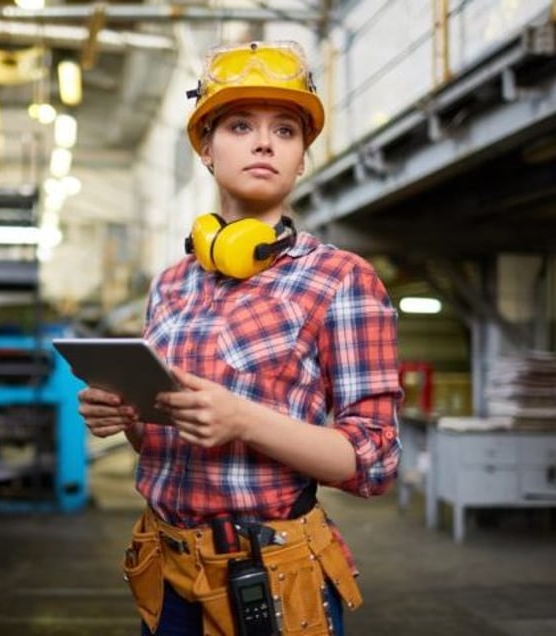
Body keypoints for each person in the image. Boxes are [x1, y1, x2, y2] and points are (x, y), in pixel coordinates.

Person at [78, 40, 401, 636]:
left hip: (272, 580)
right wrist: (125, 414)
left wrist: (244, 420)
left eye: (285, 130)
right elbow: (159, 444)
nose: (263, 142)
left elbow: (376, 461)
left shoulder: (339, 280)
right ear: (205, 147)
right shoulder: (172, 284)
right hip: (166, 568)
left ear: (302, 157)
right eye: (239, 125)